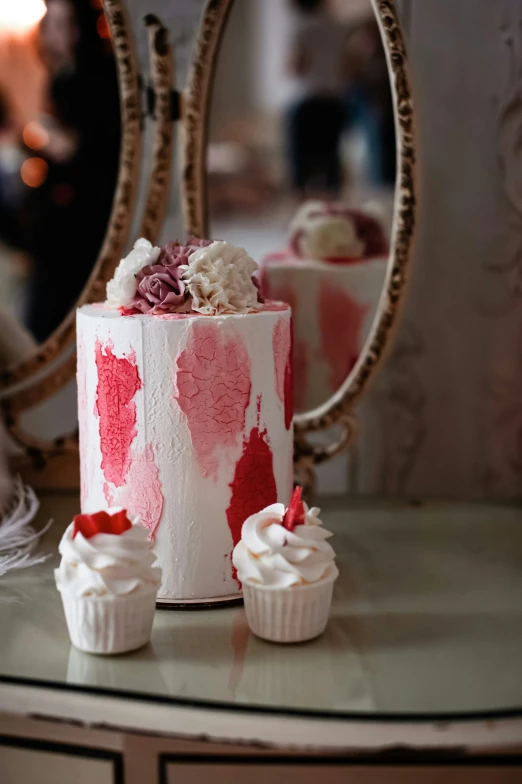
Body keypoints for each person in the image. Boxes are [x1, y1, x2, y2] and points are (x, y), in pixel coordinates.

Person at [22, 0, 120, 342]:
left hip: (87, 209)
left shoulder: (100, 77)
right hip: (57, 211)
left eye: (68, 24)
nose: (60, 34)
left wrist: (46, 136)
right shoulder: (60, 76)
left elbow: (91, 148)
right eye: (54, 24)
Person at [286, 0, 348, 199]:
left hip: (309, 100)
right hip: (334, 101)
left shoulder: (301, 27)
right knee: (331, 158)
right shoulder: (339, 27)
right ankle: (332, 208)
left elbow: (296, 67)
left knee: (301, 162)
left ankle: (303, 212)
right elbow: (348, 64)